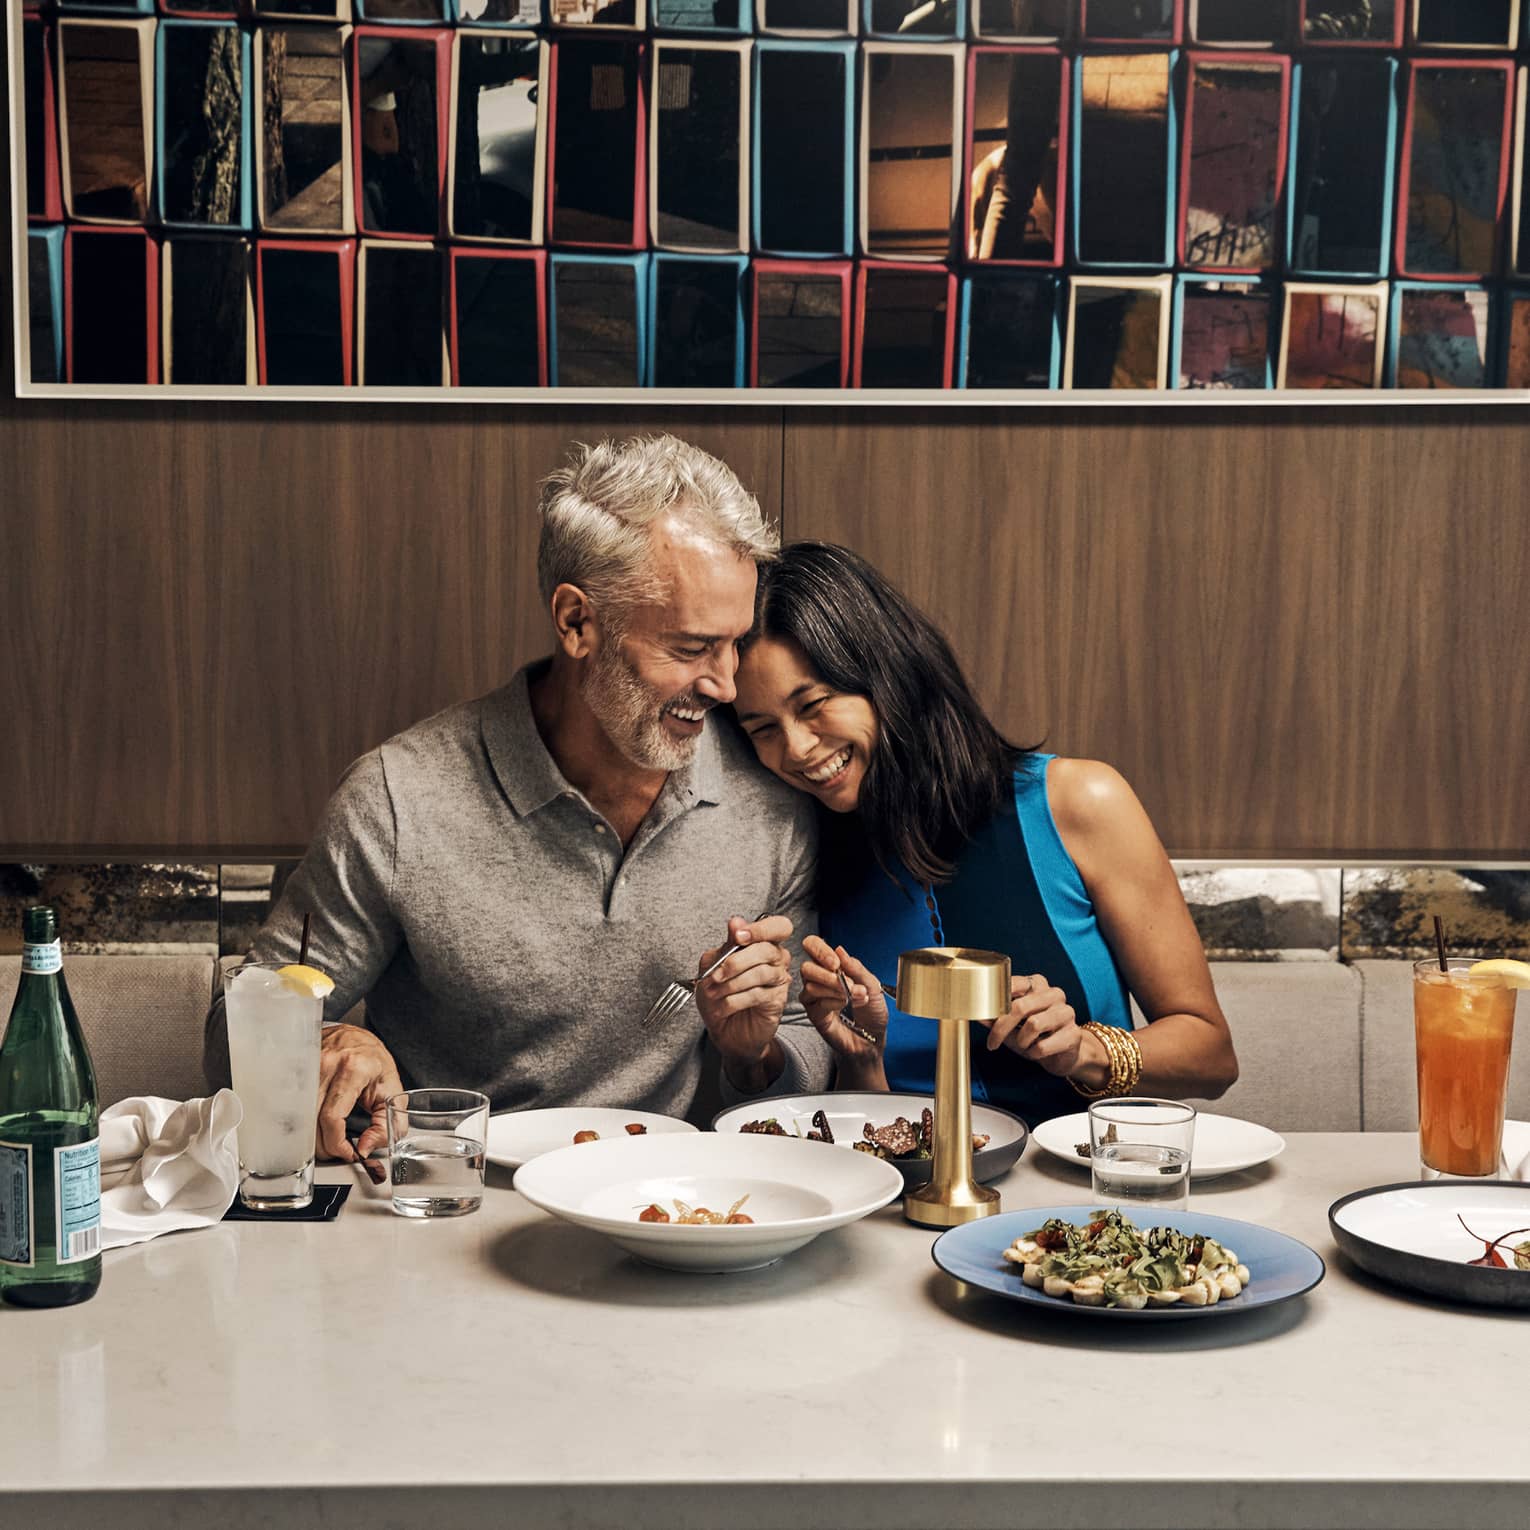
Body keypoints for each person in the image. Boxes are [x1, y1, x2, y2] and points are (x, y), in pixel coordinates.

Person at [205, 437, 832, 1162]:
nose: (725, 684)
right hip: (452, 1209)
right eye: (691, 648)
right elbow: (230, 1036)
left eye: (735, 642)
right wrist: (325, 1039)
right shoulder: (398, 798)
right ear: (576, 623)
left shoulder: (770, 804)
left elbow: (802, 1045)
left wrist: (751, 1056)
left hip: (672, 1211)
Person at [731, 542, 1238, 1125]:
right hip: (900, 1193)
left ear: (887, 675)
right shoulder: (805, 857)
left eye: (815, 703)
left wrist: (1085, 1050)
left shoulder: (1078, 801)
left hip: (1072, 1195)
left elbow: (1212, 1055)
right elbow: (857, 1110)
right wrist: (857, 1061)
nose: (796, 748)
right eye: (763, 729)